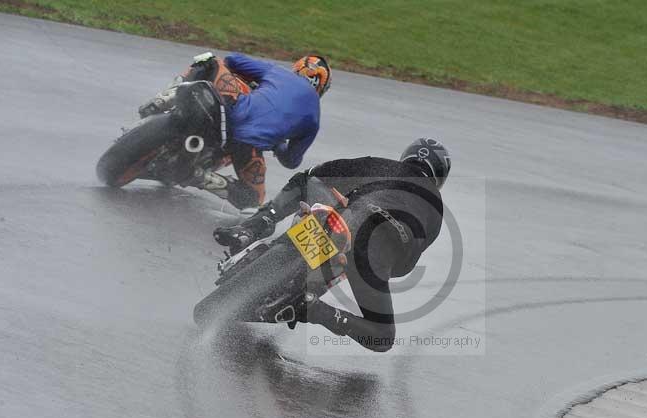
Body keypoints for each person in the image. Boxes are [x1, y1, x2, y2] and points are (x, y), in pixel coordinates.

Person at [213, 138, 451, 351]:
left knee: (307, 183)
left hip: (342, 222)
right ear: (439, 178)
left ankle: (254, 226)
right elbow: (404, 265)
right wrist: (379, 267)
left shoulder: (383, 165)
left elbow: (317, 174)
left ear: (406, 157)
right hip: (374, 252)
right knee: (383, 337)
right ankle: (314, 310)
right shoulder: (436, 207)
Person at [142, 52, 331, 209]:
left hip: (231, 109)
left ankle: (166, 96)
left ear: (297, 68)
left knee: (210, 60)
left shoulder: (278, 72)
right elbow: (291, 161)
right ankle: (200, 176)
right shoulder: (314, 120)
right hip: (246, 145)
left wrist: (251, 78)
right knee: (253, 200)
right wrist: (277, 142)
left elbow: (233, 59)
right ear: (321, 89)